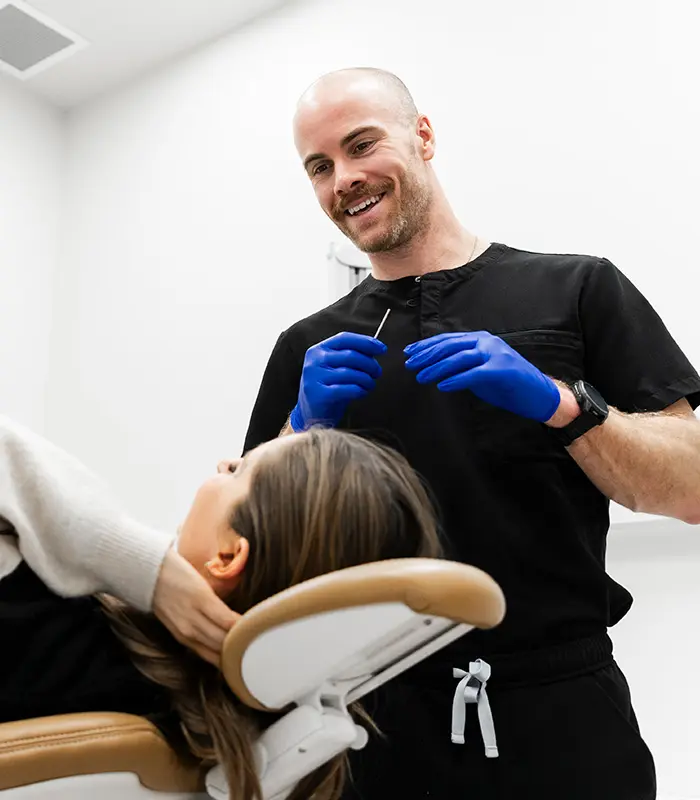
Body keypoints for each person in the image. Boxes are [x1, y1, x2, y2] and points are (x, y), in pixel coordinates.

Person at [241, 67, 700, 799]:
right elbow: (245, 557)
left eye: (362, 145)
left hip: (562, 715)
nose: (345, 180)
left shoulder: (578, 288)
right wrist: (300, 429)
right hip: (374, 727)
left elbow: (692, 489)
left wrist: (562, 404)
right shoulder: (307, 347)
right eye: (320, 167)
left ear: (423, 136)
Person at [0, 412, 442, 800]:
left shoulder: (40, 620)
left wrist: (140, 563)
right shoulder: (219, 734)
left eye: (238, 471)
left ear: (229, 556)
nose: (221, 465)